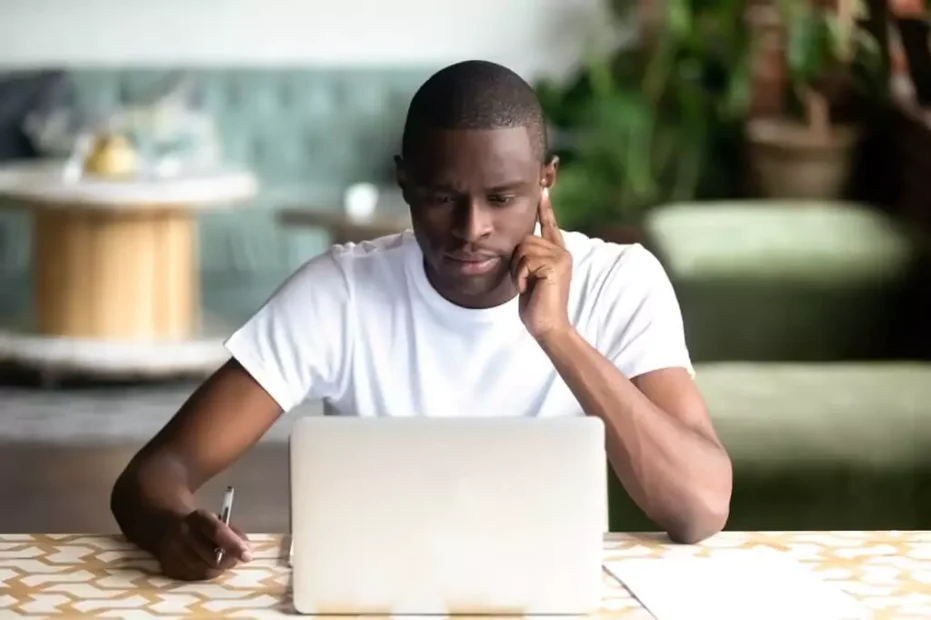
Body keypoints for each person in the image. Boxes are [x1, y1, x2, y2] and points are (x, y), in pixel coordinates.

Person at [111, 60, 732, 581]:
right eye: (442, 197)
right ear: (405, 182)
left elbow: (700, 508)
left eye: (502, 198)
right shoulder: (342, 293)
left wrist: (557, 335)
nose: (471, 229)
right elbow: (154, 475)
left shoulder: (621, 283)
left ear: (546, 184)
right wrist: (173, 528)